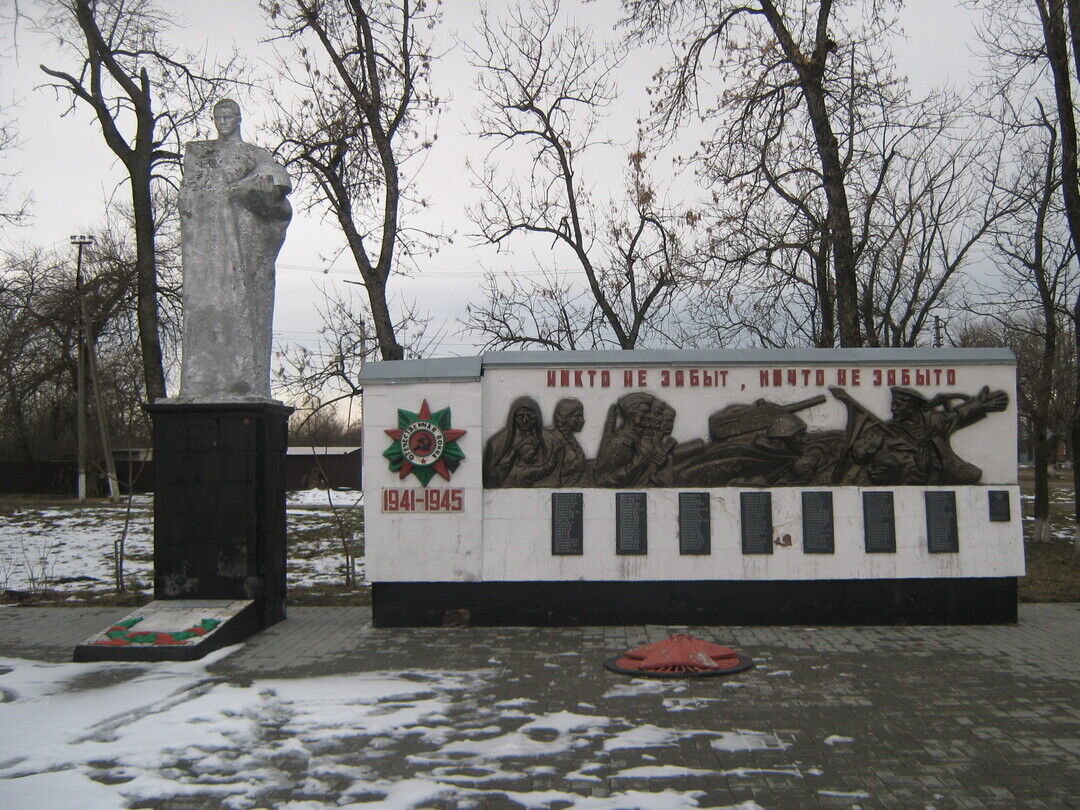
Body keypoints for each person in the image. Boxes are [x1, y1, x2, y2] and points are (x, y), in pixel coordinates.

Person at [178, 99, 292, 401]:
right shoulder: (199, 154)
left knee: (241, 309)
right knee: (204, 313)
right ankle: (202, 384)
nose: (223, 121)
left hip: (238, 244)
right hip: (204, 250)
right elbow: (188, 196)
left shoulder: (253, 154)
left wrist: (262, 190)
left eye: (228, 116)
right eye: (218, 116)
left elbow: (278, 189)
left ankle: (242, 382)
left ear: (239, 118)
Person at [483, 397, 559, 487]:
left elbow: (553, 477)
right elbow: (491, 476)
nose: (525, 421)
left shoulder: (551, 441)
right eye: (520, 417)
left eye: (530, 417)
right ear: (513, 417)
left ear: (537, 417)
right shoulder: (497, 442)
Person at [538, 398, 590, 487]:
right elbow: (541, 474)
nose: (583, 420)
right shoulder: (550, 440)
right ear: (565, 418)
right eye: (578, 416)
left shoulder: (569, 438)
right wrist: (571, 468)